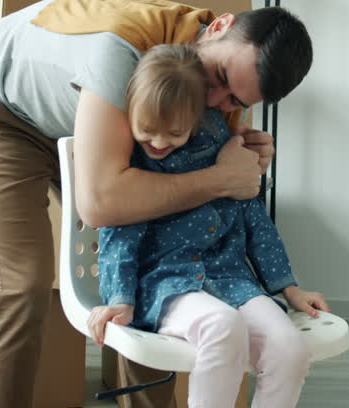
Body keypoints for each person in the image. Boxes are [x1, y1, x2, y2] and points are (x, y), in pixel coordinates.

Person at [0, 0, 313, 408]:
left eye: (236, 101)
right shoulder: (121, 51)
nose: (214, 102)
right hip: (2, 108)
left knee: (157, 253)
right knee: (24, 282)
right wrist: (220, 177)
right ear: (217, 27)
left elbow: (223, 187)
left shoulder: (216, 73)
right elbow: (104, 205)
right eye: (221, 80)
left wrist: (247, 159)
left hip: (95, 115)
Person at [88, 44, 327, 408]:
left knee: (288, 346)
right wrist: (120, 298)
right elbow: (118, 235)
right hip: (167, 284)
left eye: (175, 133)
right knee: (222, 326)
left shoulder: (224, 148)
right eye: (147, 130)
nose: (158, 142)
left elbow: (256, 223)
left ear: (196, 119)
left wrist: (289, 288)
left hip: (231, 279)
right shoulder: (134, 164)